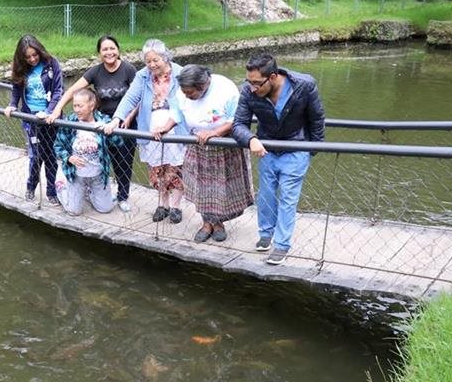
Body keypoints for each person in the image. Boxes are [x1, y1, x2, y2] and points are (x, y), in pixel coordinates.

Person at [231, 53, 326, 265]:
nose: (252, 87)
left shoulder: (304, 85)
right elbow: (238, 124)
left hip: (296, 147)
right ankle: (266, 233)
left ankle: (282, 245)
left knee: (288, 198)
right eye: (249, 82)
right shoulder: (248, 90)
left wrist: (313, 149)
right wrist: (251, 139)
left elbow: (317, 118)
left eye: (257, 83)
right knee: (265, 194)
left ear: (272, 77)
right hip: (266, 148)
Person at [47, 35, 138, 213]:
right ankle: (92, 190)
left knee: (124, 162)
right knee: (103, 158)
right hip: (102, 124)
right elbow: (73, 90)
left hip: (125, 124)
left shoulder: (128, 69)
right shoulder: (95, 71)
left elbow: (137, 96)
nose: (109, 52)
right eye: (105, 49)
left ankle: (123, 196)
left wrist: (128, 117)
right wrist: (57, 109)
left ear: (118, 50)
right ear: (99, 53)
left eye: (112, 48)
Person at [176, 65, 254, 243]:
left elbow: (236, 119)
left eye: (190, 93)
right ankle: (207, 223)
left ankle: (218, 224)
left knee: (220, 188)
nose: (187, 96)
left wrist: (215, 133)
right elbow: (177, 111)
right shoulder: (183, 92)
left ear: (203, 85)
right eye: (184, 92)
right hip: (197, 144)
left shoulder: (226, 89)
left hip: (223, 145)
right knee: (201, 187)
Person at [112, 39, 186, 224]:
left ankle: (176, 206)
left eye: (156, 60)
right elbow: (130, 97)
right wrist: (117, 118)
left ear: (165, 57)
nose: (152, 65)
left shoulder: (180, 73)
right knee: (157, 168)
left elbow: (188, 100)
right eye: (148, 61)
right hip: (150, 128)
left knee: (176, 168)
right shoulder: (142, 75)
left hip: (175, 128)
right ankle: (163, 204)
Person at [4, 34, 63, 205]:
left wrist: (50, 111)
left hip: (50, 119)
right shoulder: (20, 68)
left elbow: (58, 90)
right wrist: (13, 105)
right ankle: (31, 186)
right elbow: (16, 88)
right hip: (31, 119)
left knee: (51, 156)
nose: (32, 59)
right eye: (27, 57)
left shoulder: (52, 63)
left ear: (40, 51)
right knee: (36, 156)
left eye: (34, 55)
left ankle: (51, 192)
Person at [53, 88, 120, 216]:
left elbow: (118, 143)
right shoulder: (69, 121)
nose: (76, 110)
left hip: (97, 175)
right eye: (74, 106)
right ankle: (61, 187)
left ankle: (89, 192)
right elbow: (57, 146)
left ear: (91, 105)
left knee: (105, 209)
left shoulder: (104, 121)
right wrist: (69, 158)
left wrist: (109, 130)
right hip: (76, 174)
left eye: (80, 106)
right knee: (74, 211)